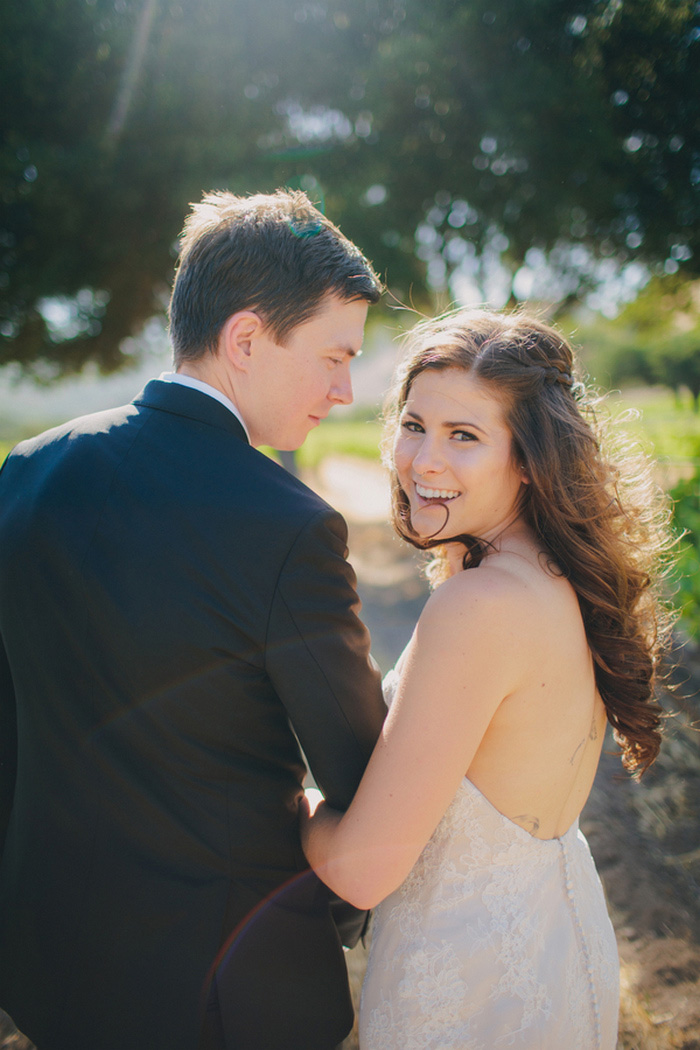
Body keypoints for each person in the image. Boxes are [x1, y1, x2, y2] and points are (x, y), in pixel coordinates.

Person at [0, 189, 387, 1050]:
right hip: (223, 991)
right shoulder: (290, 528)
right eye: (333, 355)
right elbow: (364, 779)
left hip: (48, 962)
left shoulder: (24, 473)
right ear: (246, 338)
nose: (346, 389)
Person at [301, 309, 674, 1049]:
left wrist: (277, 803)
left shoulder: (478, 607)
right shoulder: (558, 579)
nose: (421, 461)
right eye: (414, 425)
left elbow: (361, 872)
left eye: (463, 436)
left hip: (467, 990)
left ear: (529, 458)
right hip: (555, 952)